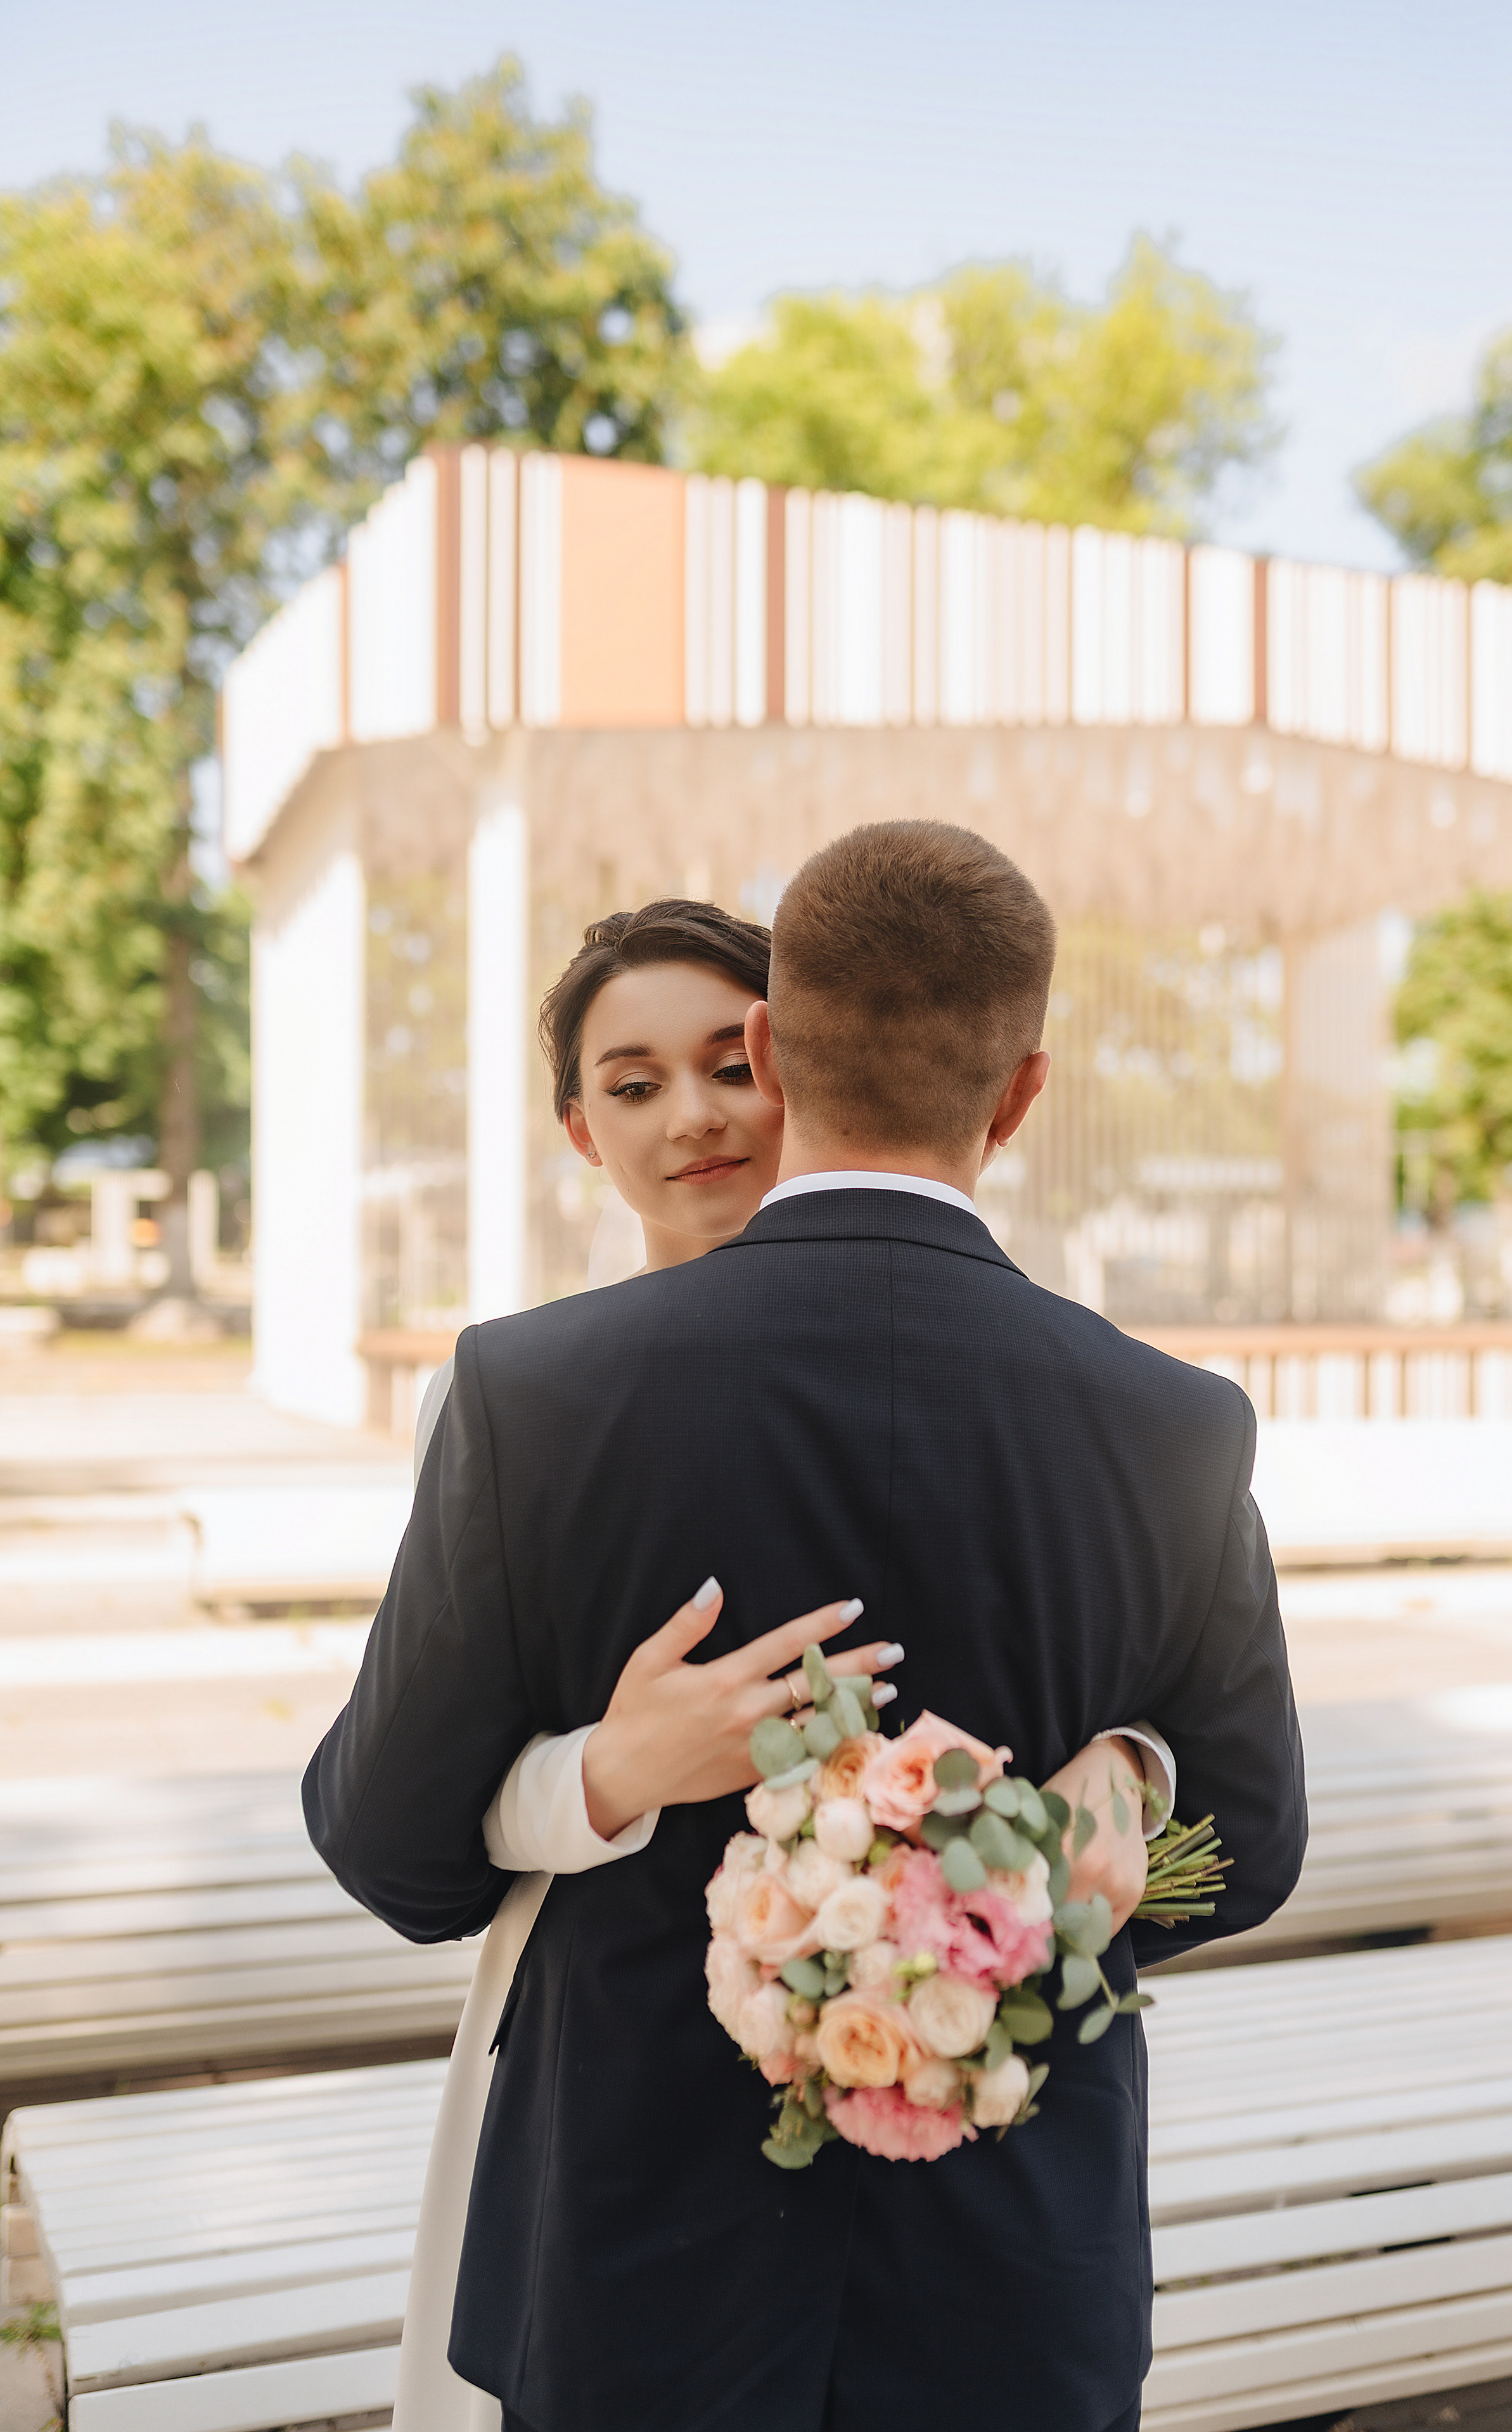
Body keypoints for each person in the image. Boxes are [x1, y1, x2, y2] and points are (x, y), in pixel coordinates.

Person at [306, 826, 1306, 2432]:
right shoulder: (1173, 1421)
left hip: (639, 2266)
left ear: (772, 1048)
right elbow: (1245, 1845)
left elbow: (387, 1847)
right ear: (1025, 1088)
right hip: (1015, 2266)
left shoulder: (537, 1397)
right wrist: (1115, 1782)